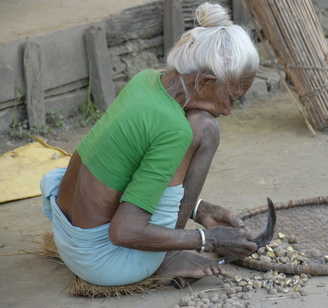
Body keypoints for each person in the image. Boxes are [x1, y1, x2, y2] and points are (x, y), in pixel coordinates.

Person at [40, 2, 260, 287]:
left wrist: (198, 209)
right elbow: (125, 231)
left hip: (69, 235)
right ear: (206, 82)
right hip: (104, 262)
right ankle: (168, 257)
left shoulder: (146, 80)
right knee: (206, 128)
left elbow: (127, 175)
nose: (229, 110)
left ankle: (177, 234)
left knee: (197, 123)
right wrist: (207, 239)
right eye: (231, 98)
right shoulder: (175, 128)